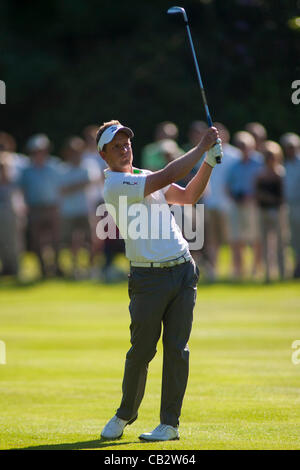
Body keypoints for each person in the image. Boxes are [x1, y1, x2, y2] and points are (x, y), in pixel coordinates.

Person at [98, 119, 223, 441]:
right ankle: (125, 414)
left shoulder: (141, 176)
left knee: (177, 350)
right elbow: (168, 176)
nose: (124, 148)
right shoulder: (114, 185)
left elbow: (188, 196)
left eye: (126, 143)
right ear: (104, 154)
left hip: (183, 270)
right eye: (116, 146)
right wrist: (201, 146)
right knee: (141, 351)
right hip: (148, 277)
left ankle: (170, 423)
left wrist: (208, 161)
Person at [19, 134, 63, 278]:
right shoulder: (26, 170)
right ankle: (43, 270)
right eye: (36, 151)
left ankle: (56, 267)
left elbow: (61, 187)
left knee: (56, 239)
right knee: (37, 241)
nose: (39, 153)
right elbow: (23, 190)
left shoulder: (54, 166)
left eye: (41, 150)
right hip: (35, 208)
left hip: (52, 207)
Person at [226, 131, 263, 279]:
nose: (243, 148)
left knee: (255, 238)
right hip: (237, 204)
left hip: (254, 204)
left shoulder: (259, 162)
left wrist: (252, 196)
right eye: (240, 146)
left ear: (252, 146)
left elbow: (263, 184)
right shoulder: (234, 165)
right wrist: (234, 198)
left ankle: (256, 268)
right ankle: (238, 270)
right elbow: (228, 185)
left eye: (245, 145)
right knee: (236, 238)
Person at [59, 136, 93, 279]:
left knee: (91, 240)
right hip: (69, 211)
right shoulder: (63, 169)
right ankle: (74, 269)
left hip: (85, 209)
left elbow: (89, 183)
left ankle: (90, 269)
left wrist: (73, 186)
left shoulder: (87, 166)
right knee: (71, 242)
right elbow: (62, 190)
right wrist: (79, 185)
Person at [254, 141, 286, 282]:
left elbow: (283, 196)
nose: (269, 159)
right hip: (263, 211)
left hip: (278, 211)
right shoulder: (260, 174)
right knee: (265, 244)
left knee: (280, 243)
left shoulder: (281, 173)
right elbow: (256, 193)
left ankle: (283, 273)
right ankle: (268, 274)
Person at [280, 132, 300, 278]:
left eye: (292, 146)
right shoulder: (283, 164)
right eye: (287, 147)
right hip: (288, 206)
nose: (290, 149)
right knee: (292, 240)